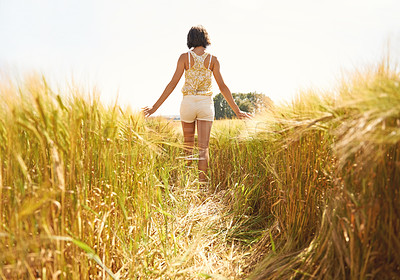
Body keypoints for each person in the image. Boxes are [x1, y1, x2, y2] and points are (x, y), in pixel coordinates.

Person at [143, 25, 250, 183]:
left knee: (188, 146)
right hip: (205, 105)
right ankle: (202, 188)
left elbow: (172, 84)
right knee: (203, 148)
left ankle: (187, 186)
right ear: (205, 39)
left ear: (190, 39)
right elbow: (223, 86)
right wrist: (237, 111)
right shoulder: (213, 60)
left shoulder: (184, 58)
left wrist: (153, 108)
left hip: (188, 104)